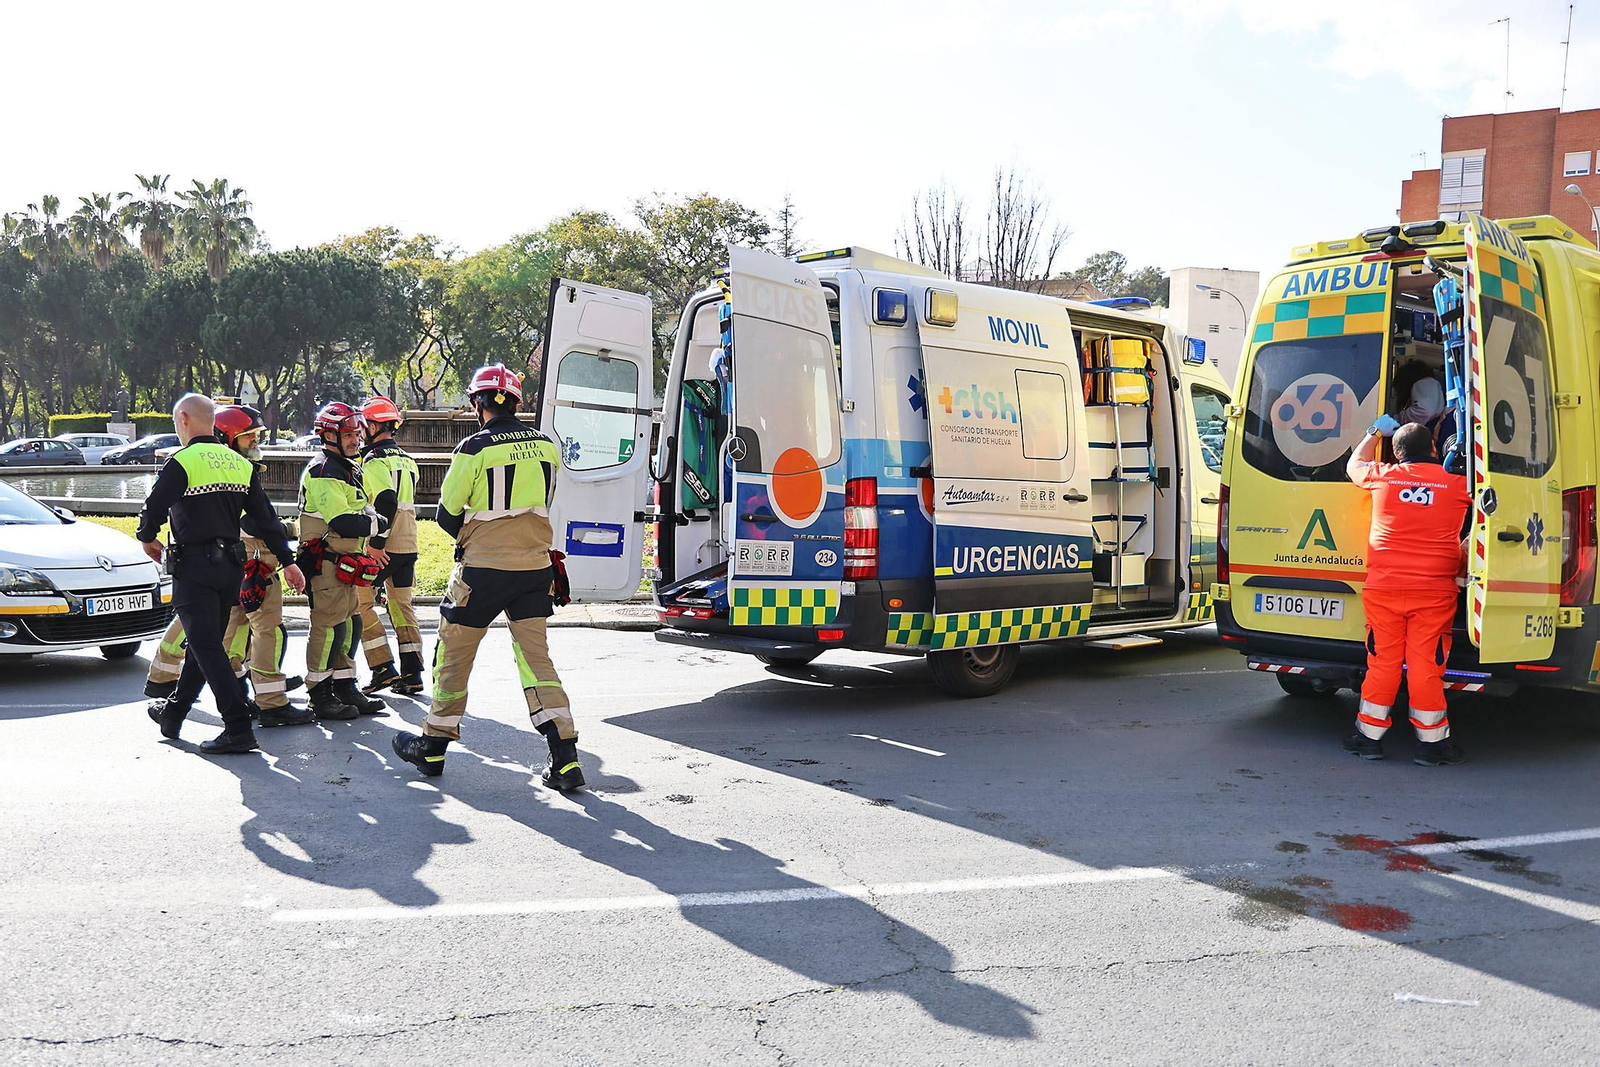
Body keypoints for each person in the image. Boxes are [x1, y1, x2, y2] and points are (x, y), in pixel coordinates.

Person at [391, 363, 580, 790]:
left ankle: (434, 747)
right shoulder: (548, 447)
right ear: (516, 400)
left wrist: (479, 541)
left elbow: (446, 514)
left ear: (478, 403)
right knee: (538, 663)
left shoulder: (473, 448)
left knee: (454, 654)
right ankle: (565, 757)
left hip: (483, 571)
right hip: (535, 568)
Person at [139, 393, 307, 754]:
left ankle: (238, 726)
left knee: (205, 647)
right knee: (207, 647)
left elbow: (153, 506)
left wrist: (147, 538)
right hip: (232, 567)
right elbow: (266, 518)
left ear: (183, 419)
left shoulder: (180, 461)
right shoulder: (238, 463)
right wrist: (288, 560)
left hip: (195, 567)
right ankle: (174, 714)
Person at [1344, 417, 1471, 766]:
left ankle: (1368, 738)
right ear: (1433, 448)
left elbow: (1353, 465)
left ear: (1397, 454)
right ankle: (1432, 745)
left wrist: (1373, 432)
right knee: (1425, 666)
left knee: (1382, 662)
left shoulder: (1384, 476)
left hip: (1384, 589)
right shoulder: (1457, 483)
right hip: (1433, 591)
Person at [212, 404, 316, 727]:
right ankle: (272, 702)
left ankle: (234, 693)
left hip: (226, 567)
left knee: (230, 631)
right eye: (249, 438)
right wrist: (287, 548)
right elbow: (260, 521)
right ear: (227, 439)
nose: (255, 443)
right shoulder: (239, 473)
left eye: (257, 436)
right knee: (267, 631)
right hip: (255, 566)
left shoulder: (214, 469)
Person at [298, 401, 389, 720]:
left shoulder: (347, 466)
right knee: (327, 627)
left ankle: (345, 685)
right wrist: (379, 524)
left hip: (346, 561)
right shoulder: (324, 470)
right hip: (326, 562)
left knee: (351, 622)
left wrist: (372, 520)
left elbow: (360, 510)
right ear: (328, 435)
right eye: (347, 434)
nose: (355, 439)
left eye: (356, 432)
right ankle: (319, 694)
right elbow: (343, 521)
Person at [354, 396, 424, 696]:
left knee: (361, 605)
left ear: (373, 426)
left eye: (362, 428)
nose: (359, 434)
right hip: (409, 543)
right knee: (401, 605)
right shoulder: (408, 460)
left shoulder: (374, 460)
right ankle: (412, 674)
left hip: (383, 546)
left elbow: (385, 501)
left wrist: (377, 543)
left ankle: (383, 668)